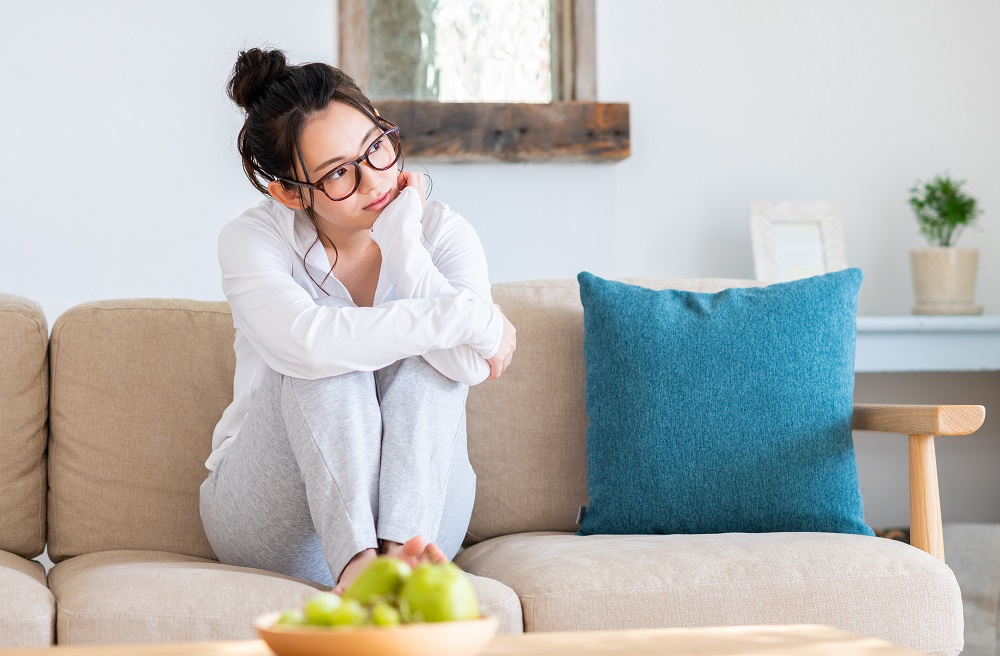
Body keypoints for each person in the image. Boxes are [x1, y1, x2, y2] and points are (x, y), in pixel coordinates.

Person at [199, 47, 516, 594]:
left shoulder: (442, 232)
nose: (374, 181)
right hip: (275, 517)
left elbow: (466, 365)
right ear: (289, 193)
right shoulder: (251, 240)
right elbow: (308, 345)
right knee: (322, 346)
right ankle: (358, 571)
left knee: (429, 363)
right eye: (338, 173)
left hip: (424, 516)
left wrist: (403, 245)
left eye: (377, 147)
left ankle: (398, 562)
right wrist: (471, 319)